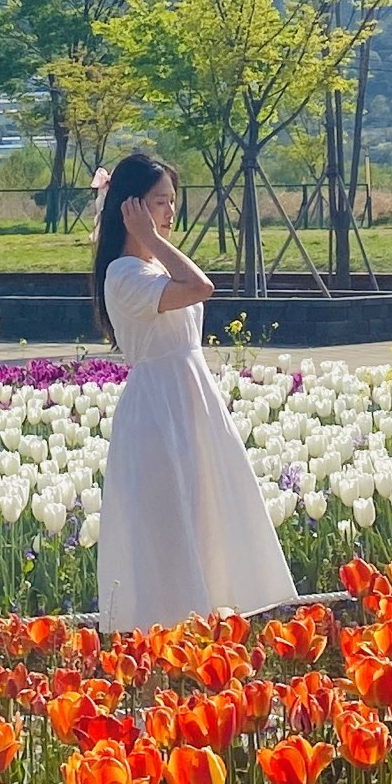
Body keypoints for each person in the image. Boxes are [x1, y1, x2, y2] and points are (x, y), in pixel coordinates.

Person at [90, 150, 298, 634]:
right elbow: (201, 286)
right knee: (169, 522)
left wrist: (152, 241)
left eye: (171, 201)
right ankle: (170, 635)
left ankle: (208, 631)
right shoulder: (124, 276)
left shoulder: (154, 269)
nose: (171, 212)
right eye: (160, 202)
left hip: (190, 400)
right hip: (159, 410)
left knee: (205, 519)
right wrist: (149, 239)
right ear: (132, 208)